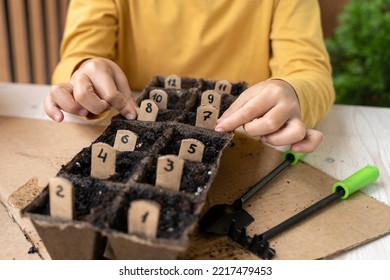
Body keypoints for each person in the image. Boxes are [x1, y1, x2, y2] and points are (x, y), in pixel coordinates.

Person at [45, 0, 335, 153]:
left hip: (243, 144)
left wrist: (292, 91)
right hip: (135, 133)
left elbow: (309, 71)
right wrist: (82, 71)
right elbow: (79, 53)